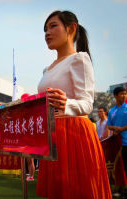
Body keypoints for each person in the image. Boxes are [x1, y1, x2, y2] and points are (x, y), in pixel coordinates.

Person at [36, 10, 111, 198]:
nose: (47, 33)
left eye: (53, 26)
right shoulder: (47, 69)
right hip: (52, 135)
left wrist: (66, 104)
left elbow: (87, 104)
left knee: (77, 191)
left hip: (74, 134)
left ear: (72, 28)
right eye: (45, 29)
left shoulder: (79, 59)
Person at [107, 87, 127, 178]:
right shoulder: (111, 111)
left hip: (126, 142)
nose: (124, 96)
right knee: (120, 168)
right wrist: (116, 128)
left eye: (125, 94)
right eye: (122, 94)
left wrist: (122, 129)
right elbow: (108, 126)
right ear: (115, 95)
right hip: (118, 144)